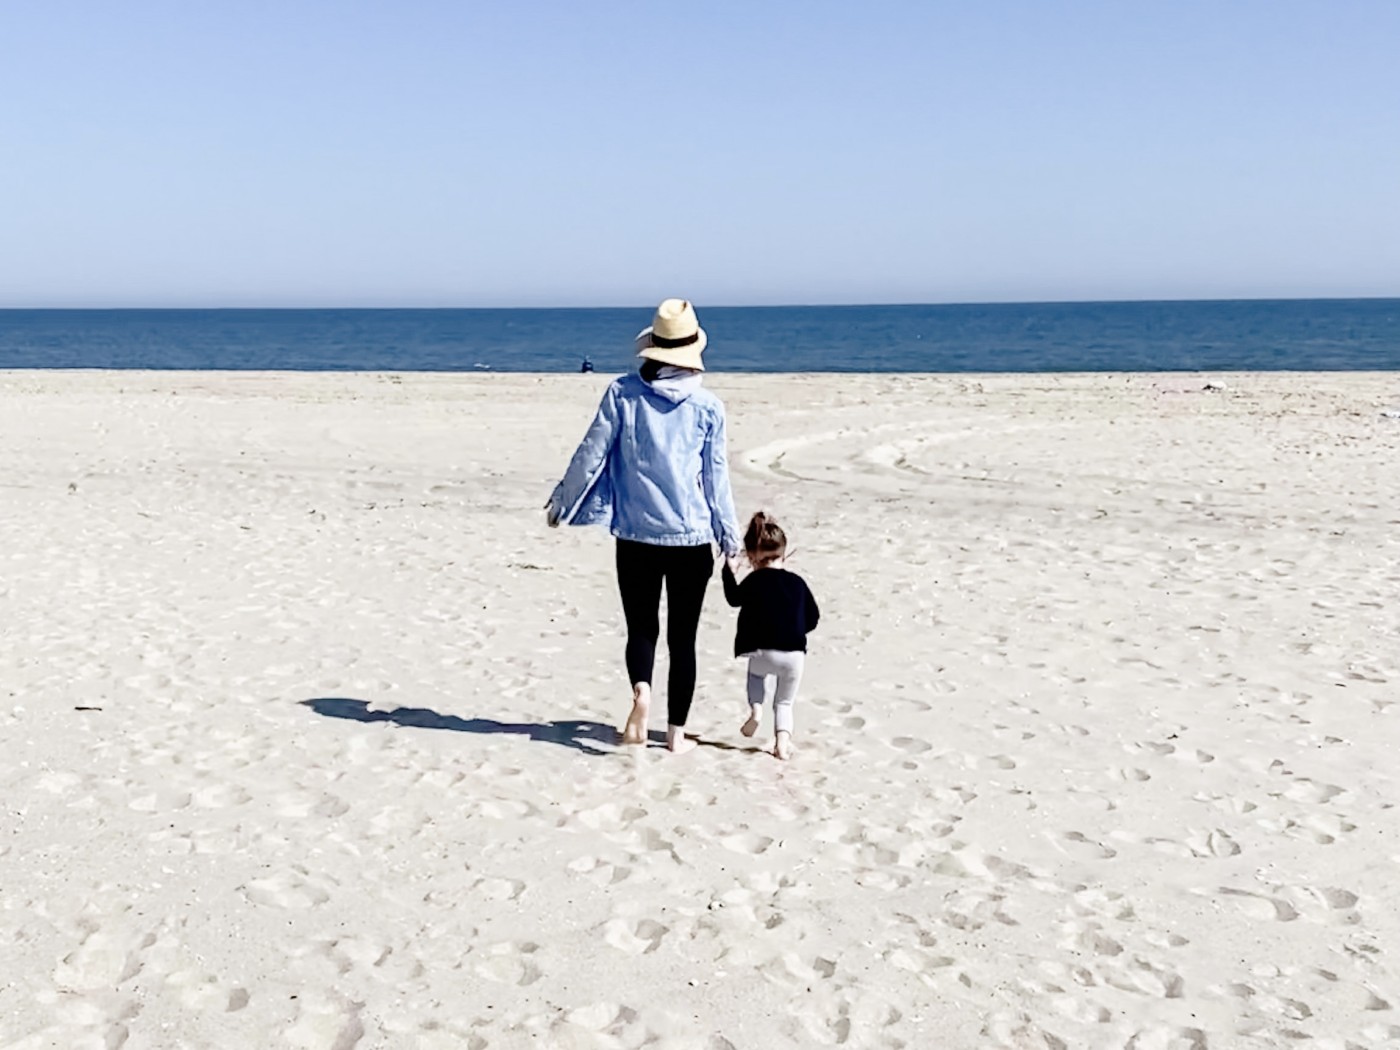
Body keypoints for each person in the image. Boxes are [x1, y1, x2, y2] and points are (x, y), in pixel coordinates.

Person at [546, 299, 741, 753]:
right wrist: (729, 539)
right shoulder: (709, 407)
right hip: (692, 538)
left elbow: (590, 454)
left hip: (634, 535)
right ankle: (675, 735)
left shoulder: (621, 393)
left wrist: (562, 502)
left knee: (641, 630)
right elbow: (717, 480)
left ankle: (641, 691)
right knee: (684, 639)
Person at [722, 511, 819, 760]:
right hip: (794, 653)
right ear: (783, 553)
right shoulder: (798, 583)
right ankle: (782, 746)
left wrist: (728, 572)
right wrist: (795, 629)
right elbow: (813, 618)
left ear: (752, 556)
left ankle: (755, 711)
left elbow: (734, 599)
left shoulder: (754, 580)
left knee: (756, 675)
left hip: (762, 650)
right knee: (785, 703)